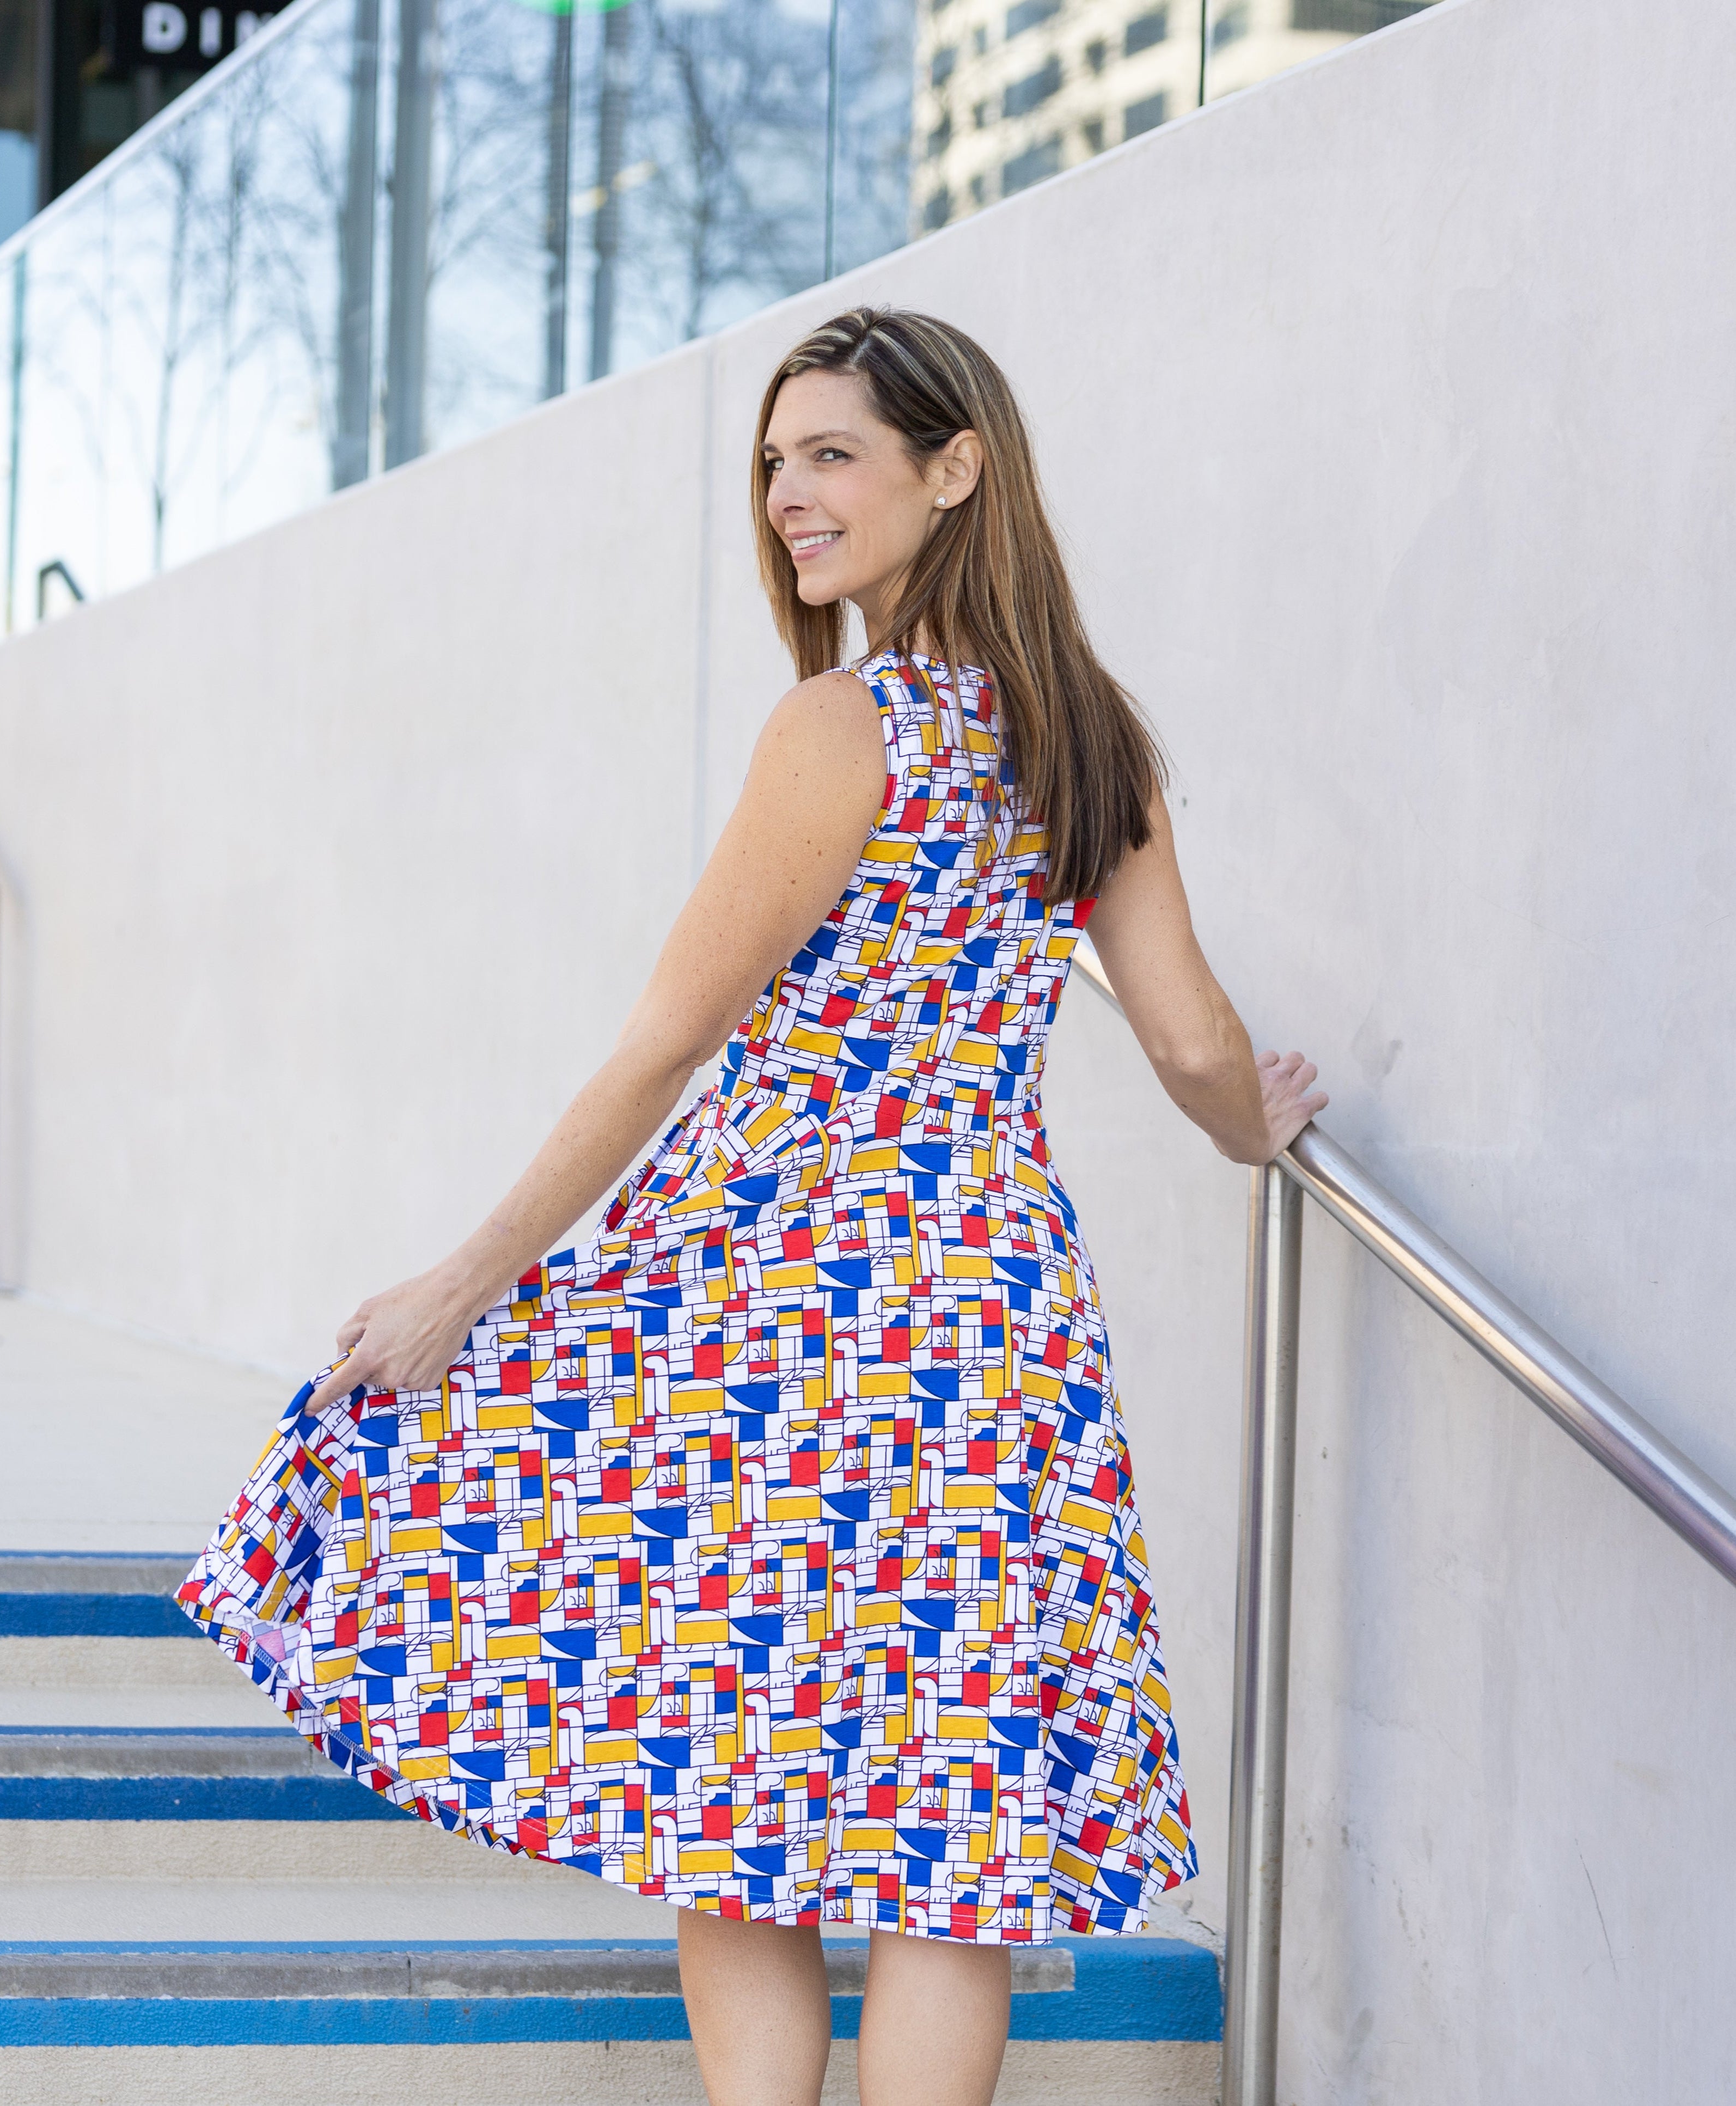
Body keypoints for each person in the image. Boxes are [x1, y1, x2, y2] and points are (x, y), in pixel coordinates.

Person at [180, 306, 1325, 2106]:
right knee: (945, 1827)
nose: (790, 496)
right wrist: (1253, 1128)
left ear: (954, 470)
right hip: (987, 1307)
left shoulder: (844, 725)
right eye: (774, 461)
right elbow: (1190, 1041)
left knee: (742, 1787)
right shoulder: (1089, 737)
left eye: (832, 455)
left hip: (788, 1291)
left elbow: (660, 1047)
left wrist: (467, 1280)